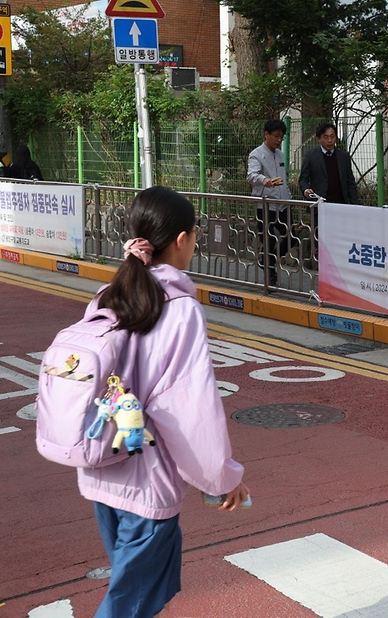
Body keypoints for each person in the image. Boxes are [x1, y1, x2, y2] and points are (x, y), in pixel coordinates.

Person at [81, 186, 248, 617]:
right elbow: (189, 408)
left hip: (102, 471)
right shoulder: (180, 309)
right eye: (194, 235)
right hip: (147, 482)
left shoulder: (106, 296)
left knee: (131, 592)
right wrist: (221, 477)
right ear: (181, 240)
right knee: (129, 605)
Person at [248, 119, 292, 287]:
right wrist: (264, 180)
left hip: (282, 204)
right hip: (265, 206)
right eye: (276, 136)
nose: (279, 140)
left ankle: (266, 259)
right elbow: (251, 175)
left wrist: (288, 198)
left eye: (281, 137)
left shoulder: (280, 154)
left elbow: (284, 179)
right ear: (266, 134)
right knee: (269, 240)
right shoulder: (256, 154)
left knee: (291, 238)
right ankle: (271, 278)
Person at [298, 122, 359, 205]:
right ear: (319, 139)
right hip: (319, 204)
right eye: (325, 137)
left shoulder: (343, 157)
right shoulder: (311, 156)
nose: (329, 140)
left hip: (340, 204)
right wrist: (306, 190)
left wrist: (354, 204)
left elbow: (350, 182)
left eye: (332, 136)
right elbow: (303, 179)